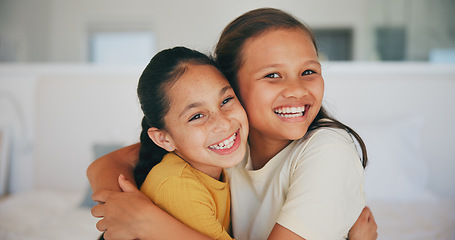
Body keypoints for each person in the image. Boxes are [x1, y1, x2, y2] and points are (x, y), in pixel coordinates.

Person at [89, 7, 377, 240]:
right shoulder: (230, 142)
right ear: (232, 85)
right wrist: (124, 210)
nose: (298, 90)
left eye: (309, 71)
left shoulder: (328, 151)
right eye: (272, 75)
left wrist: (148, 222)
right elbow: (103, 165)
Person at [111, 46, 248, 240]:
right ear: (164, 139)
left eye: (226, 100)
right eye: (197, 116)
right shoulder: (177, 185)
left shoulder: (212, 166)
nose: (223, 123)